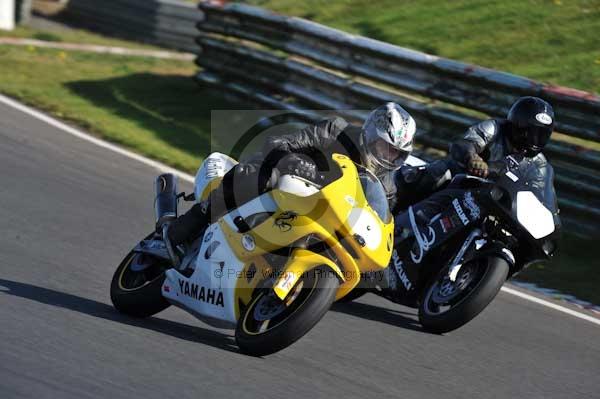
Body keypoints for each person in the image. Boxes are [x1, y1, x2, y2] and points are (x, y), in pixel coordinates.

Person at [156, 102, 417, 265]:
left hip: (319, 215)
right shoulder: (335, 130)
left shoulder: (387, 185)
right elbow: (283, 143)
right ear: (370, 134)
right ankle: (186, 228)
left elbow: (377, 217)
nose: (388, 156)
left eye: (396, 153)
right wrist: (294, 161)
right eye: (385, 146)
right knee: (254, 175)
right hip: (287, 181)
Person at [383, 96, 558, 298]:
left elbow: (541, 194)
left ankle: (466, 275)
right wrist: (472, 157)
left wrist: (551, 216)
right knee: (438, 173)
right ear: (517, 125)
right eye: (530, 131)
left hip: (496, 202)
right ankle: (387, 210)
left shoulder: (540, 165)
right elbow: (465, 143)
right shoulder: (495, 128)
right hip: (462, 179)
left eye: (541, 134)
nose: (533, 139)